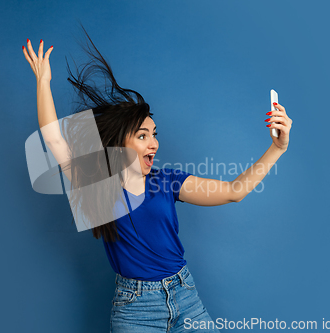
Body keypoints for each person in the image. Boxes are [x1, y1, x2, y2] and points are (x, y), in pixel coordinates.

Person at [22, 29, 292, 333]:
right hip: (136, 308)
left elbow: (234, 192)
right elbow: (54, 140)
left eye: (154, 135)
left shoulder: (168, 182)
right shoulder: (98, 184)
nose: (154, 144)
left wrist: (278, 147)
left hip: (185, 295)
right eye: (142, 136)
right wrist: (43, 83)